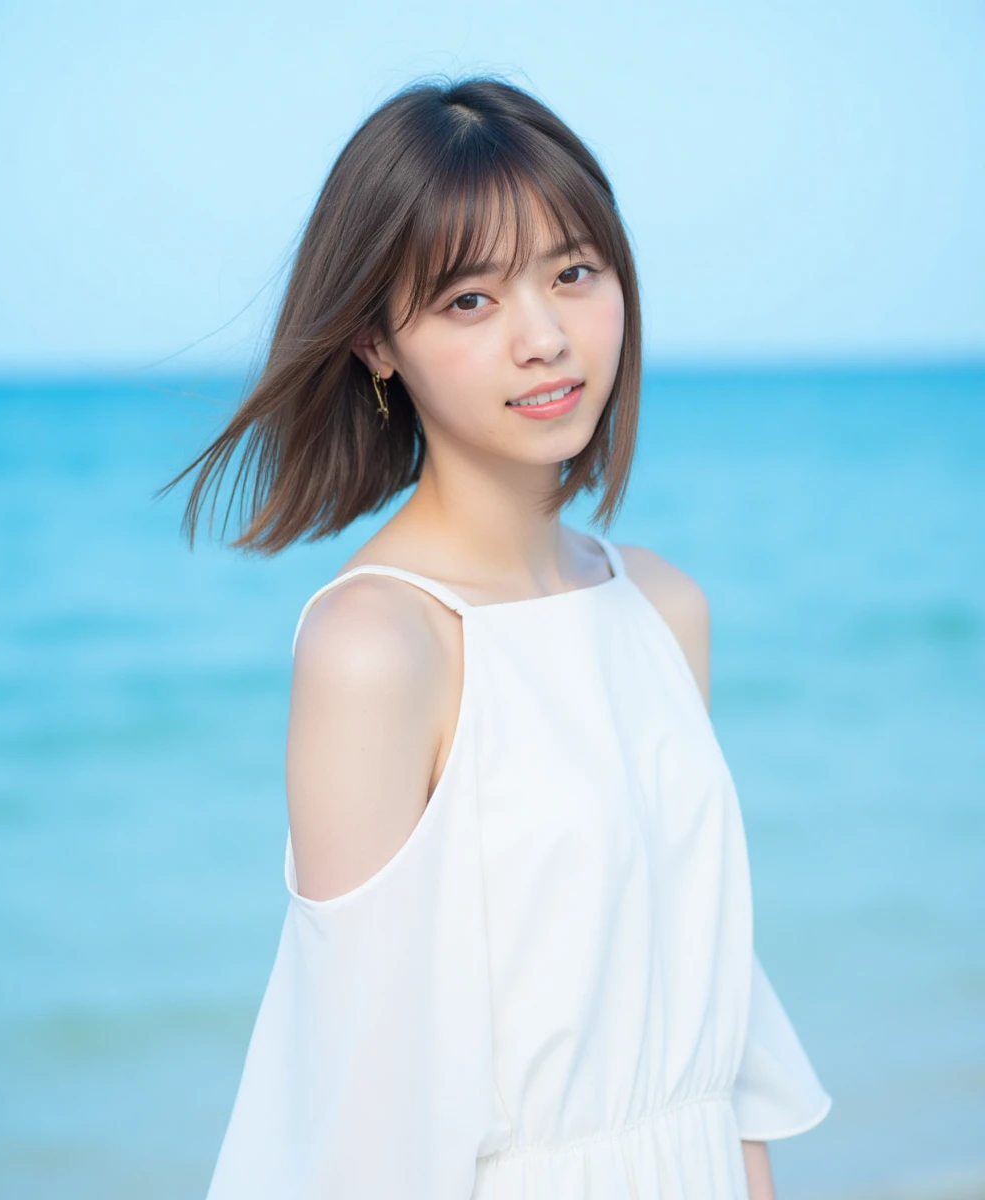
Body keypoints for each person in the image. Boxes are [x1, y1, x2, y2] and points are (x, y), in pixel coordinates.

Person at [166, 75, 831, 1199]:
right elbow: (364, 1100)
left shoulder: (664, 609)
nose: (545, 338)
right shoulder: (380, 644)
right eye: (470, 301)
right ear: (378, 342)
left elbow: (717, 1033)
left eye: (573, 273)